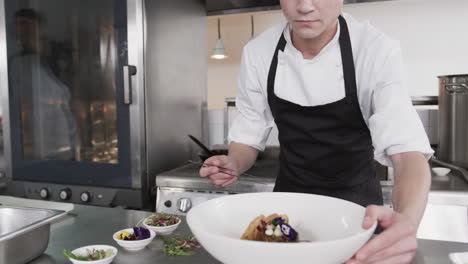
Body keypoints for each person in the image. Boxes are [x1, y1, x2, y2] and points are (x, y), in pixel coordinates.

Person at [200, 1, 433, 263]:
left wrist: (408, 222)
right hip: (289, 204)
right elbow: (248, 135)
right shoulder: (259, 52)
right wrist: (233, 162)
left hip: (356, 212)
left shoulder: (374, 49)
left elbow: (406, 154)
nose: (305, 6)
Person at [9, 8, 77, 160]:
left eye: (26, 23)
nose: (22, 29)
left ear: (38, 26)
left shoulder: (58, 53)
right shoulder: (15, 62)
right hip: (31, 138)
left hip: (60, 133)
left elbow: (71, 90)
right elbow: (15, 100)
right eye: (18, 25)